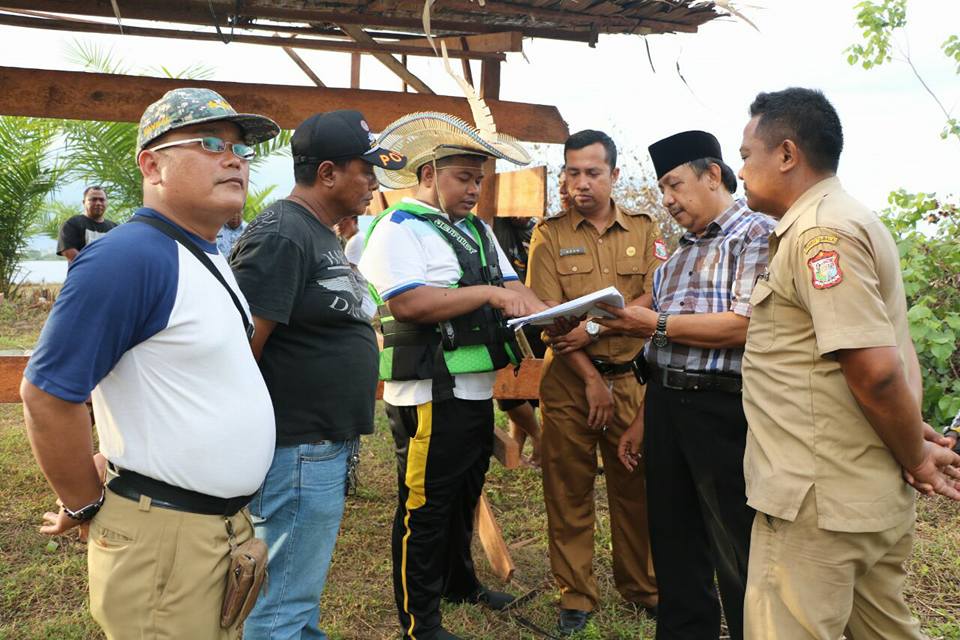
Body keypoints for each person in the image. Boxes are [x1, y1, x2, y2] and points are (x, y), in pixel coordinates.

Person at [20, 87, 280, 639]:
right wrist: (88, 506)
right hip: (166, 537)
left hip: (215, 529)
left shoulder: (203, 251)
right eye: (211, 143)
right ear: (152, 165)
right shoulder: (129, 257)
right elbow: (47, 396)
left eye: (240, 148)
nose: (234, 158)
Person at [737, 87, 960, 639]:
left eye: (746, 154)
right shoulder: (851, 218)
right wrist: (913, 445)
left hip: (817, 504)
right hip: (864, 495)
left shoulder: (820, 234)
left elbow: (876, 371)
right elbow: (896, 347)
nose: (738, 169)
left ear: (786, 154)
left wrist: (917, 455)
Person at [359, 110, 546, 640]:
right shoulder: (396, 229)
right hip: (426, 395)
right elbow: (413, 303)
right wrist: (490, 294)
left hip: (474, 389)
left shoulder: (478, 230)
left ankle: (459, 583)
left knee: (464, 494)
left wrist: (558, 309)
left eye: (479, 180)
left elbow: (517, 291)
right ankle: (421, 623)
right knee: (424, 507)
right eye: (464, 178)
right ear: (428, 175)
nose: (473, 190)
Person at [229, 110, 403, 640]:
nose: (374, 181)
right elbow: (239, 353)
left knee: (295, 594)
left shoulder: (317, 232)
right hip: (296, 448)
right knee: (280, 602)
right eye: (365, 169)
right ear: (327, 173)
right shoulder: (284, 234)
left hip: (320, 446)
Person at [594, 130, 775, 640]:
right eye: (663, 189)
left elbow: (745, 326)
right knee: (673, 538)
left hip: (725, 412)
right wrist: (643, 421)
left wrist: (649, 324)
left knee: (735, 544)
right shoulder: (674, 260)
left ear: (712, 174)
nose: (668, 200)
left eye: (674, 186)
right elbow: (663, 352)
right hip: (668, 406)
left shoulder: (757, 236)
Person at [526, 129, 662, 636]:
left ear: (614, 176)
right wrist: (589, 379)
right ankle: (576, 594)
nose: (580, 183)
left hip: (629, 381)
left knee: (636, 486)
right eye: (572, 172)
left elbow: (654, 296)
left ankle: (643, 586)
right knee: (568, 489)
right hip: (569, 385)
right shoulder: (550, 234)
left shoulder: (644, 230)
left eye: (592, 172)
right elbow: (547, 318)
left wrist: (599, 327)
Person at [492, 214, 544, 466]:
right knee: (508, 391)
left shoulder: (540, 228)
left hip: (537, 315)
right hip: (508, 317)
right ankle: (538, 437)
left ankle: (523, 449)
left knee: (529, 389)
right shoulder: (497, 225)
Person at [57, 185, 118, 262]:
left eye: (102, 200)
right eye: (93, 199)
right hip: (83, 273)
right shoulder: (72, 224)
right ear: (84, 202)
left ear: (107, 203)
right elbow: (69, 252)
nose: (98, 203)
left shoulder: (115, 228)